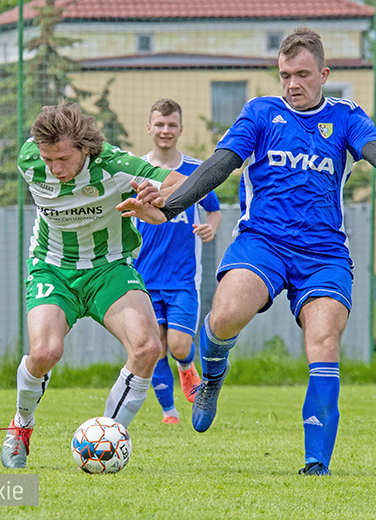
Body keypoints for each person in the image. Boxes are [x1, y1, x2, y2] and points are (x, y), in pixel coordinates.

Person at [119, 27, 376, 476]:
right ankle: (211, 375)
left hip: (324, 253)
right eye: (285, 74)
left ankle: (316, 464)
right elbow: (219, 165)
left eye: (302, 74)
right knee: (226, 314)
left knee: (325, 343)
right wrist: (171, 207)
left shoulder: (345, 116)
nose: (292, 83)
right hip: (262, 243)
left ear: (324, 74)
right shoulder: (260, 112)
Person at [0, 102, 185, 469]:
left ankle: (108, 438)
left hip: (108, 269)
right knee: (45, 352)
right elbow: (44, 159)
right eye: (48, 159)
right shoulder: (29, 158)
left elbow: (177, 182)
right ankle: (20, 426)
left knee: (148, 348)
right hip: (52, 268)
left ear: (85, 147)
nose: (54, 168)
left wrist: (158, 202)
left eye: (63, 159)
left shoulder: (114, 165)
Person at [135, 99, 222, 424]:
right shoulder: (138, 170)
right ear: (149, 128)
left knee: (179, 344)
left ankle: (186, 366)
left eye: (171, 125)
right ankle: (169, 412)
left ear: (181, 129)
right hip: (143, 277)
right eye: (159, 124)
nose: (165, 130)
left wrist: (209, 228)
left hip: (183, 278)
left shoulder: (195, 171)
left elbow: (214, 210)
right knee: (154, 347)